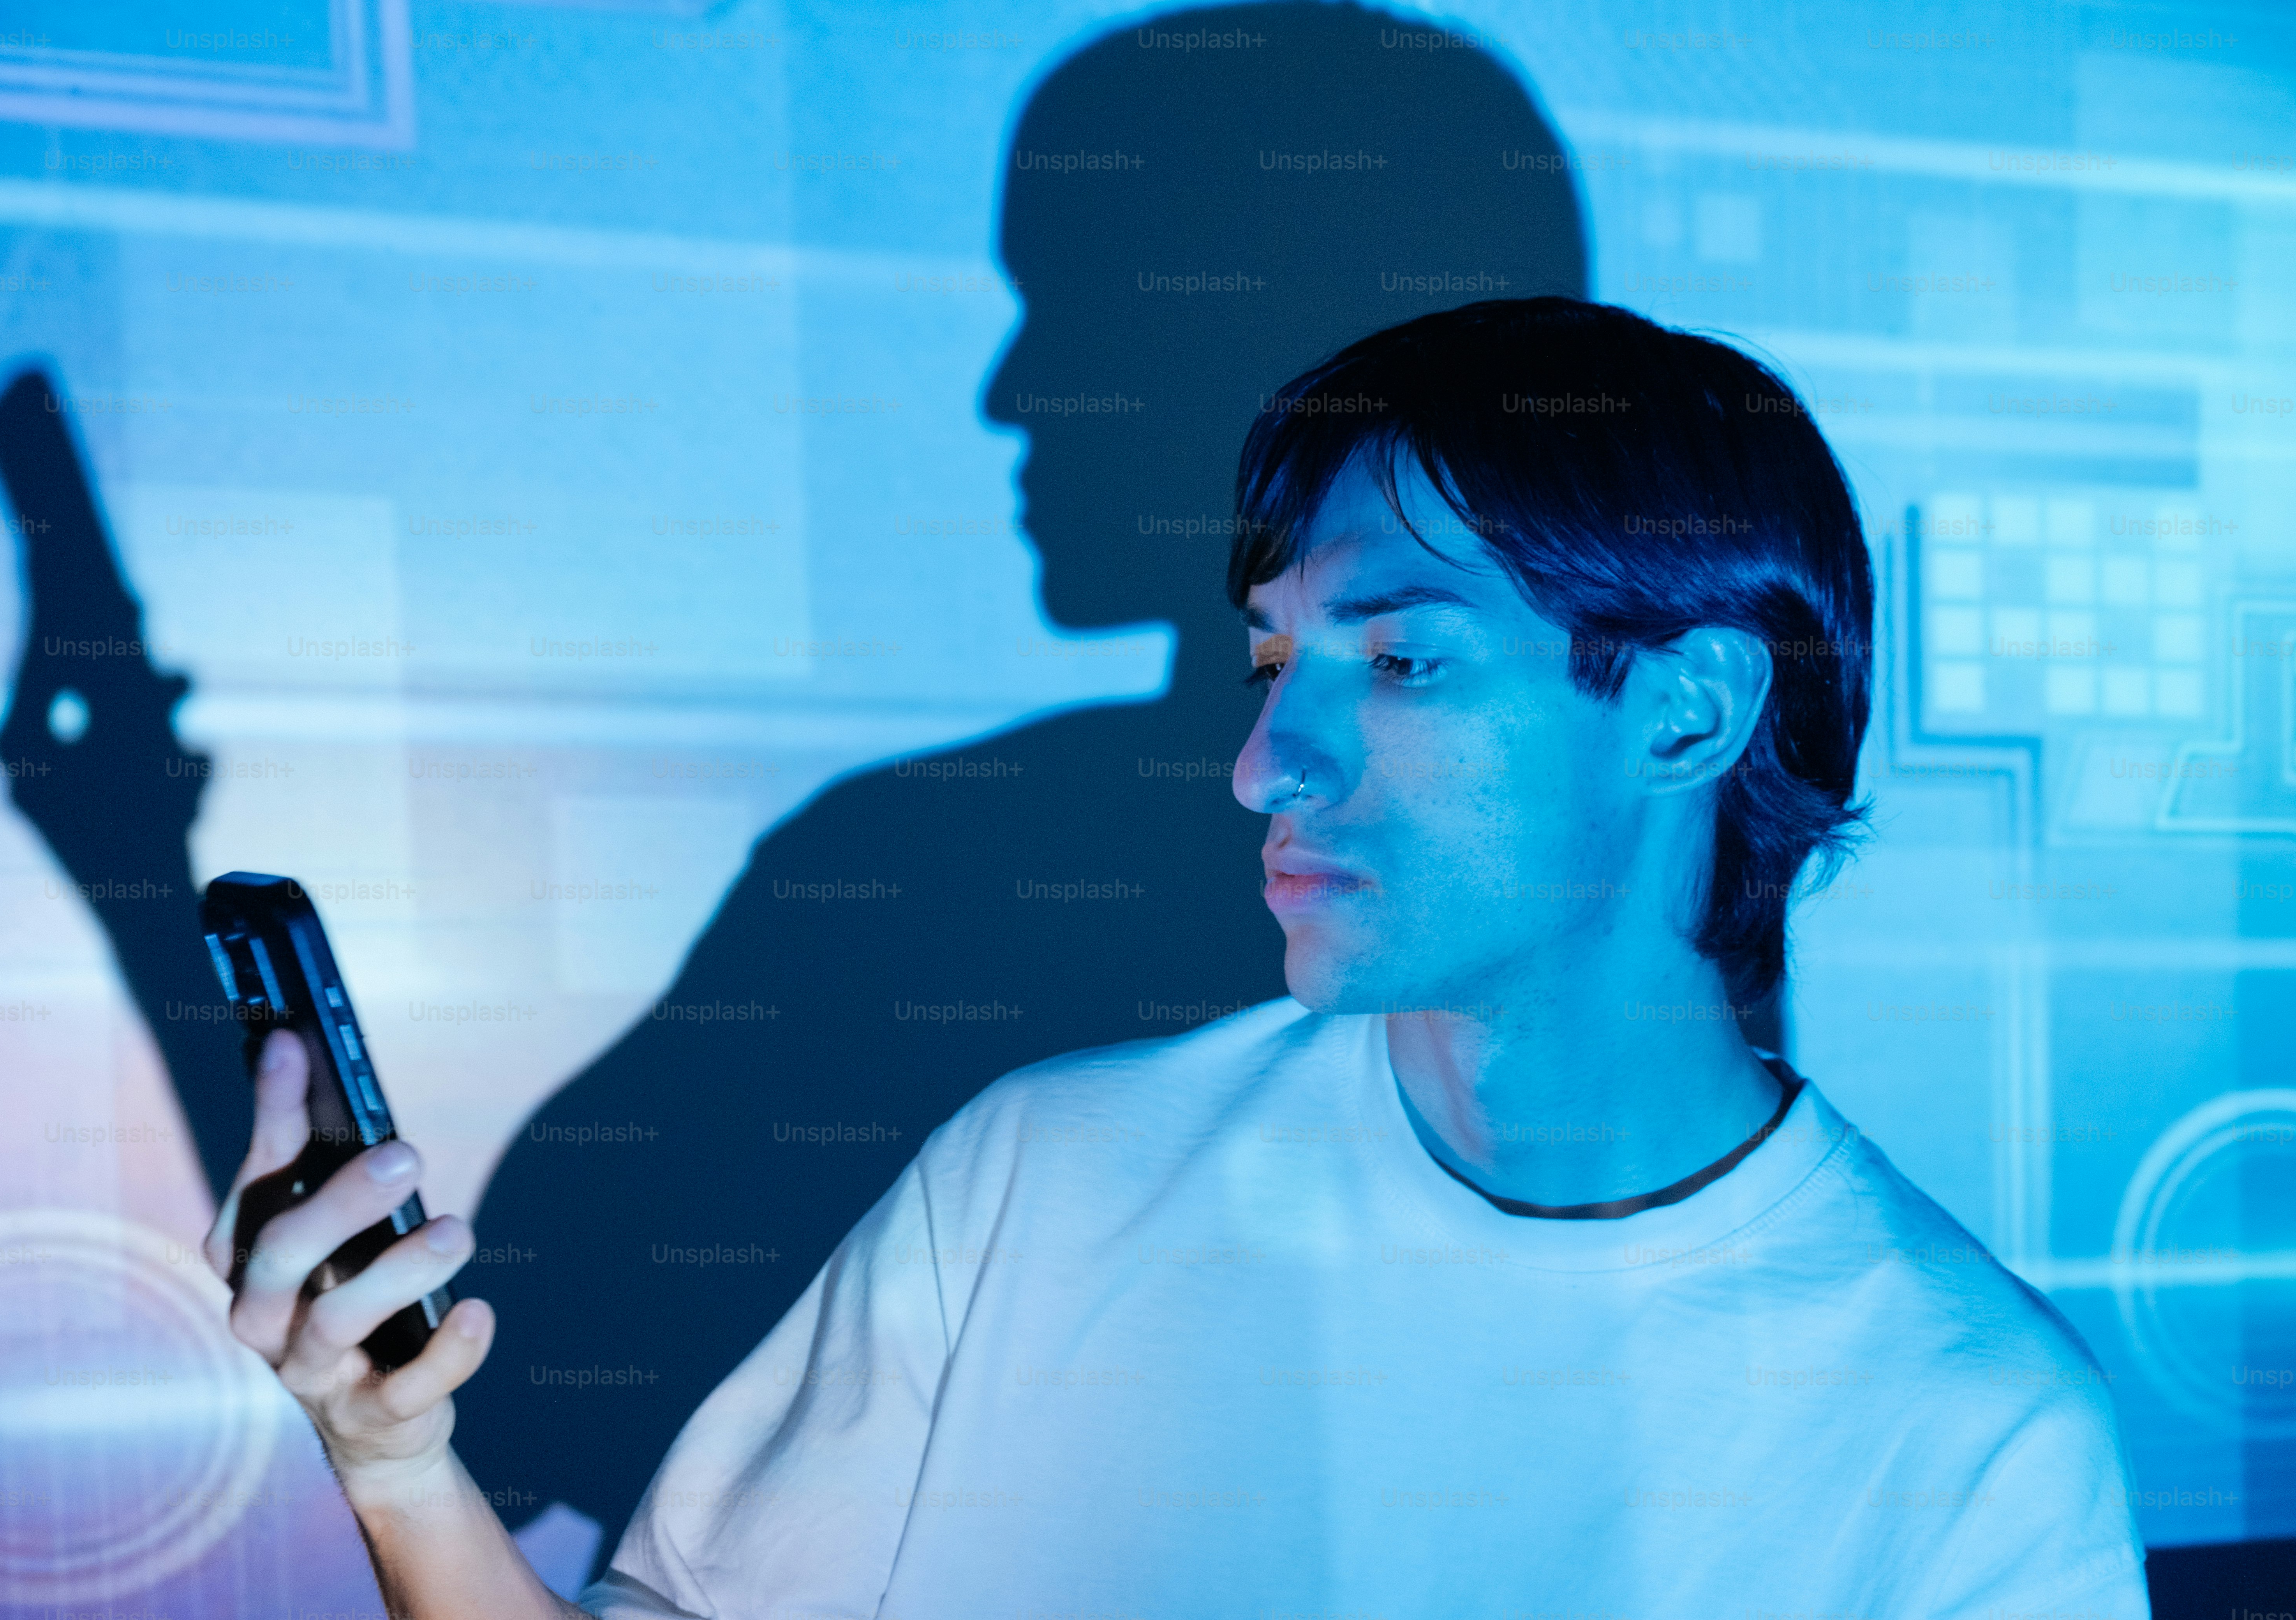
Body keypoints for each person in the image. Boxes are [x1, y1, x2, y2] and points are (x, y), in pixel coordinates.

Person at [211, 297, 2149, 1618]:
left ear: (1685, 710)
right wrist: (393, 1460)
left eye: (1400, 657)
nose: (1261, 762)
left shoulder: (1965, 1437)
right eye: (1269, 657)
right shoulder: (1038, 1175)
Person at [452, 0, 1589, 1565]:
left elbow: (498, 1390)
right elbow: (488, 1397)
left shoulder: (909, 872)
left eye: (1083, 303)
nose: (1011, 388)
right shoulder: (909, 872)